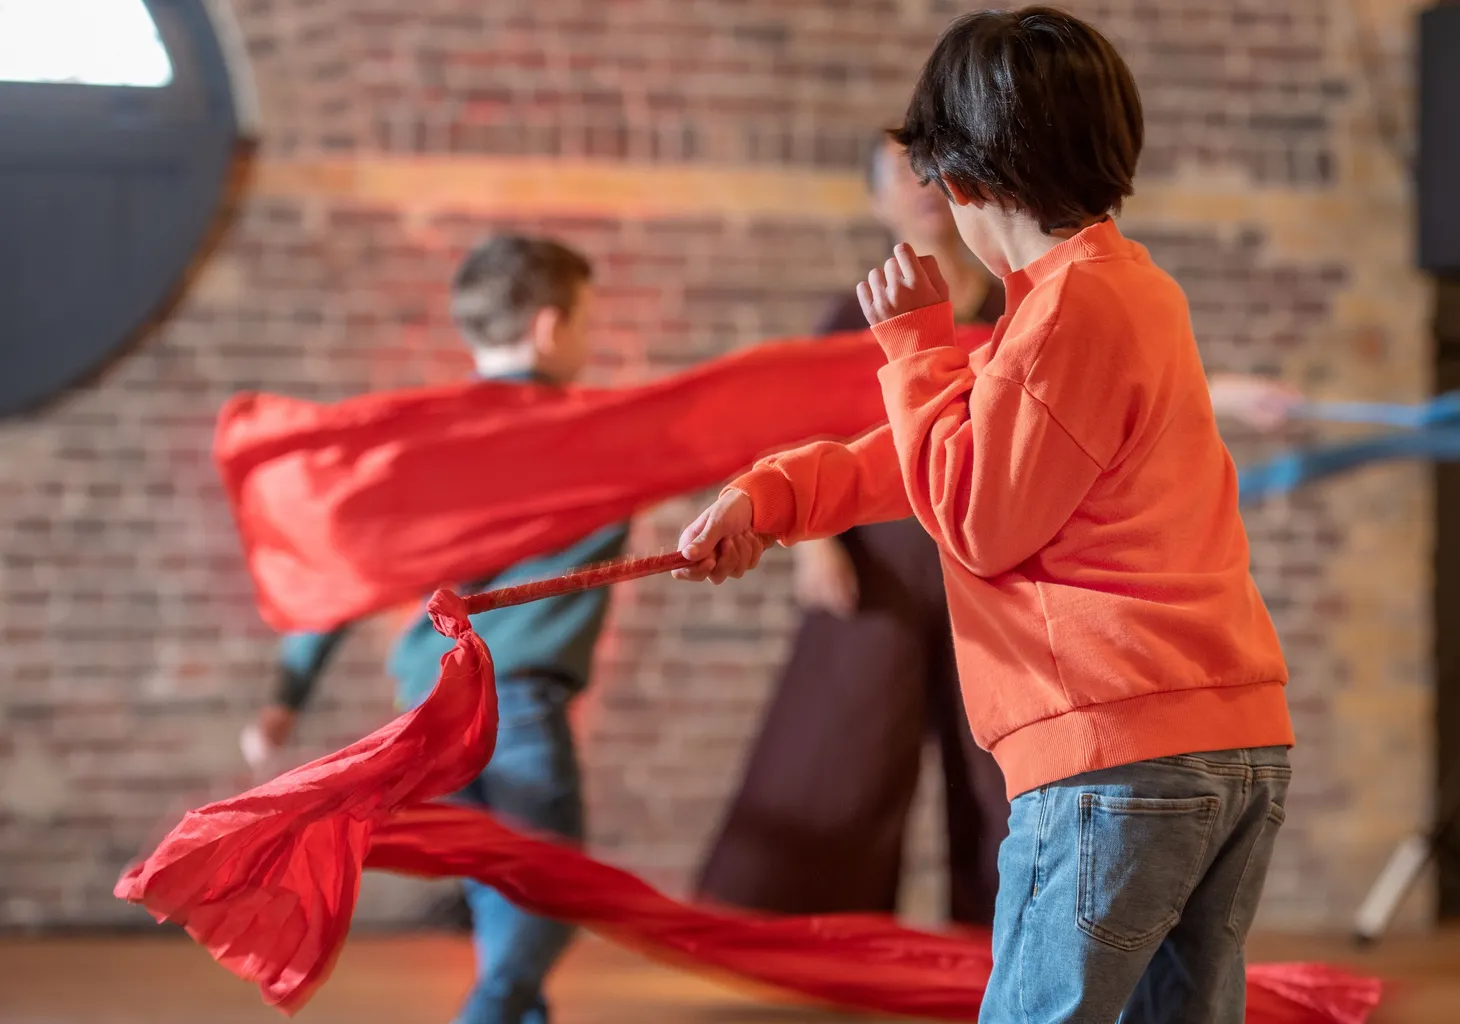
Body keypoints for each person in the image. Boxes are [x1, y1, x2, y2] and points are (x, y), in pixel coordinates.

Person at [672, 9, 1294, 1023]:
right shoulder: (1120, 295)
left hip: (1119, 761)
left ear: (956, 180)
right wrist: (775, 497)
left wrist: (914, 347)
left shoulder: (1062, 319)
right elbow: (942, 453)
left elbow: (974, 518)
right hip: (1226, 742)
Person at [246, 235, 623, 1024]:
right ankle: (488, 1013)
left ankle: (515, 1010)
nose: (591, 344)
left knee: (503, 883)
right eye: (589, 325)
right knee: (549, 891)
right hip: (511, 704)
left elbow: (349, 563)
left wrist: (288, 690)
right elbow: (695, 452)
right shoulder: (595, 438)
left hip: (426, 709)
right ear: (551, 329)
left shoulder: (426, 446)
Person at [695, 136, 1012, 929]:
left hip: (987, 558)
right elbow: (802, 436)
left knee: (997, 762)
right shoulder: (852, 318)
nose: (923, 189)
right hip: (883, 564)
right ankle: (833, 939)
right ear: (877, 203)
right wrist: (818, 545)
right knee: (849, 748)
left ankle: (1000, 936)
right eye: (902, 178)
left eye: (934, 173)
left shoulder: (1015, 314)